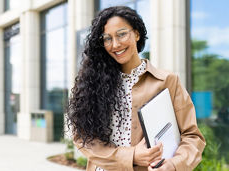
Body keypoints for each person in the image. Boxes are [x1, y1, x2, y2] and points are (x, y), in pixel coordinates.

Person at [67, 6, 205, 171]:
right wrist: (131, 155)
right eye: (107, 38)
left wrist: (173, 165)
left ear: (137, 34)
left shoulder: (167, 81)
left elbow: (192, 137)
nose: (115, 44)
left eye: (122, 34)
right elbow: (83, 137)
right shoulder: (93, 84)